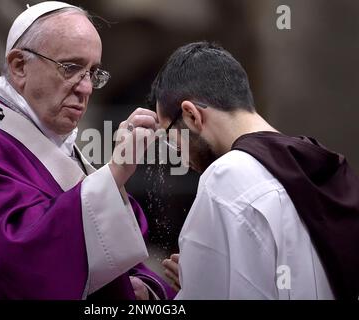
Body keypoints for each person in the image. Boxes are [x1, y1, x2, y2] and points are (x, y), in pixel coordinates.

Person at [0, 1, 174, 300]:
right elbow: (12, 268)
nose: (86, 88)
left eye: (93, 73)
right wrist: (113, 175)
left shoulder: (55, 141)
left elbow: (112, 259)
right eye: (71, 68)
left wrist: (147, 289)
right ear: (19, 66)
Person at [153, 41, 359, 299]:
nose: (182, 159)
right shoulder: (325, 170)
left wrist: (198, 285)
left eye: (171, 138)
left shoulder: (226, 178)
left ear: (192, 115)